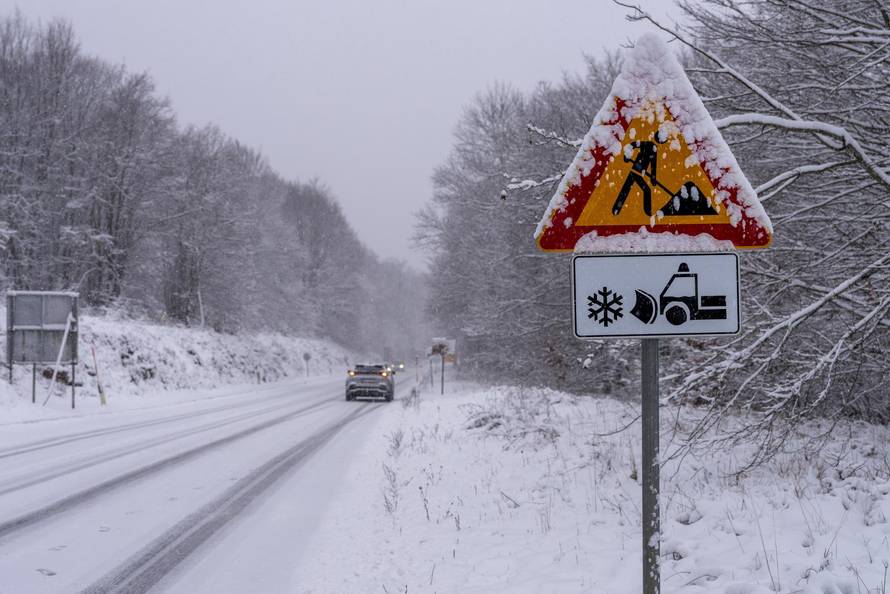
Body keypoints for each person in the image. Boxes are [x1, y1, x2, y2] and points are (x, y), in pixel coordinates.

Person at [612, 133, 665, 216]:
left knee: (626, 189)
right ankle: (648, 213)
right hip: (635, 171)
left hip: (638, 173)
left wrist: (653, 178)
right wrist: (627, 156)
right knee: (640, 190)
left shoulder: (654, 148)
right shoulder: (647, 144)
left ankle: (616, 210)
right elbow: (631, 145)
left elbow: (653, 165)